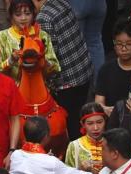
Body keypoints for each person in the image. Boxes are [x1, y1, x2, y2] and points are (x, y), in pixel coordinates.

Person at [34, 0, 94, 139]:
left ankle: (71, 155)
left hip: (66, 82)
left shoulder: (43, 18)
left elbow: (50, 59)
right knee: (79, 119)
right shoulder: (61, 3)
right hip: (83, 70)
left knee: (68, 125)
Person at [94, 20, 131, 115]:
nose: (124, 48)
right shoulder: (106, 69)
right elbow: (99, 101)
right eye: (119, 44)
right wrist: (104, 109)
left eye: (129, 44)